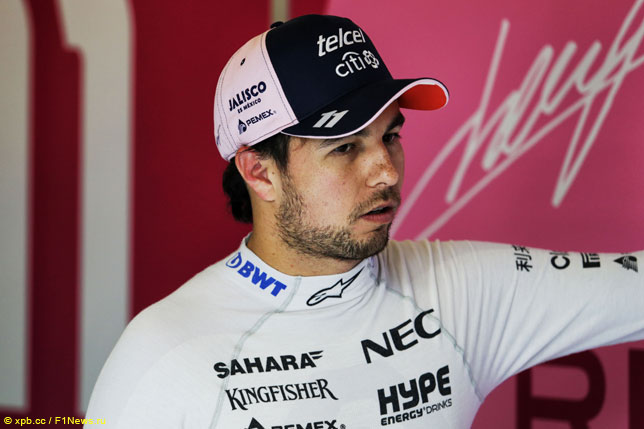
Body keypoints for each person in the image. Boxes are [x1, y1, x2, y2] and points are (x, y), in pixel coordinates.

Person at [84, 14, 644, 428]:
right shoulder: (164, 353)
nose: (387, 171)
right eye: (345, 146)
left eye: (390, 135)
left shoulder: (460, 291)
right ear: (259, 172)